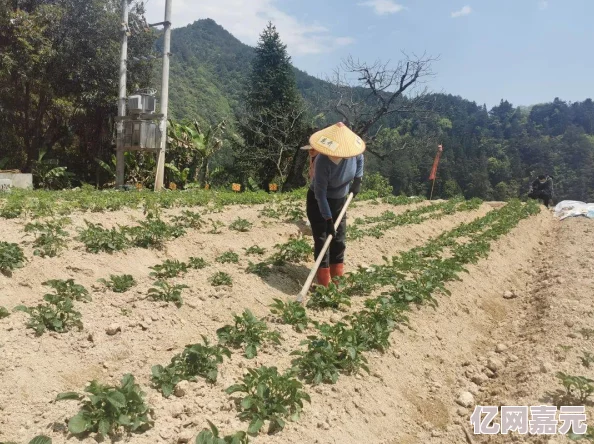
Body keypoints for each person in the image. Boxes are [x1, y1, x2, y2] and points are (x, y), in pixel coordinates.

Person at [306, 122, 365, 287]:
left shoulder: (352, 153)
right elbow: (320, 194)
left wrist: (358, 179)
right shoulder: (323, 162)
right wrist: (328, 219)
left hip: (339, 201)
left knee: (339, 239)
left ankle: (337, 280)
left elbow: (360, 157)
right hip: (319, 203)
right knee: (323, 239)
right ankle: (324, 282)